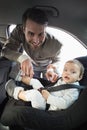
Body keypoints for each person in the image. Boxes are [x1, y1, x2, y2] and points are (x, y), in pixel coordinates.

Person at [1, 7, 62, 80]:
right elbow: (6, 50)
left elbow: (58, 60)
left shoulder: (55, 43)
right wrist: (23, 58)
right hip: (31, 63)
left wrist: (52, 67)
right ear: (24, 30)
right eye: (31, 33)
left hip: (48, 66)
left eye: (41, 34)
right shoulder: (19, 32)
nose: (36, 41)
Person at [5, 59, 84, 111]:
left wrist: (49, 97)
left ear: (79, 77)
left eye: (73, 72)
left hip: (46, 107)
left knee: (35, 94)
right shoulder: (64, 79)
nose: (67, 73)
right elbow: (57, 80)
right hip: (45, 94)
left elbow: (64, 104)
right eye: (65, 70)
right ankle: (18, 76)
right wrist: (53, 71)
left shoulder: (73, 90)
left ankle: (15, 92)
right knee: (35, 81)